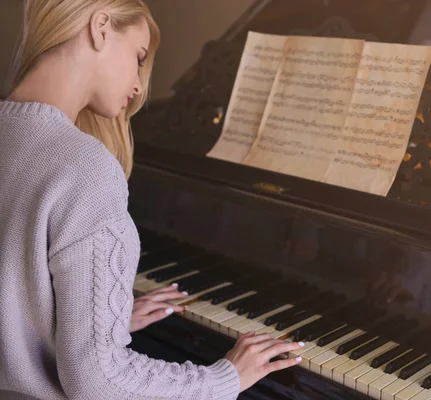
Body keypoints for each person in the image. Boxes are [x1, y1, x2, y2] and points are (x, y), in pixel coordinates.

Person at [0, 1, 303, 399]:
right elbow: (98, 384)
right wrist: (226, 377)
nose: (141, 85)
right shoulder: (85, 166)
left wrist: (106, 322)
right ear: (101, 27)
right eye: (139, 58)